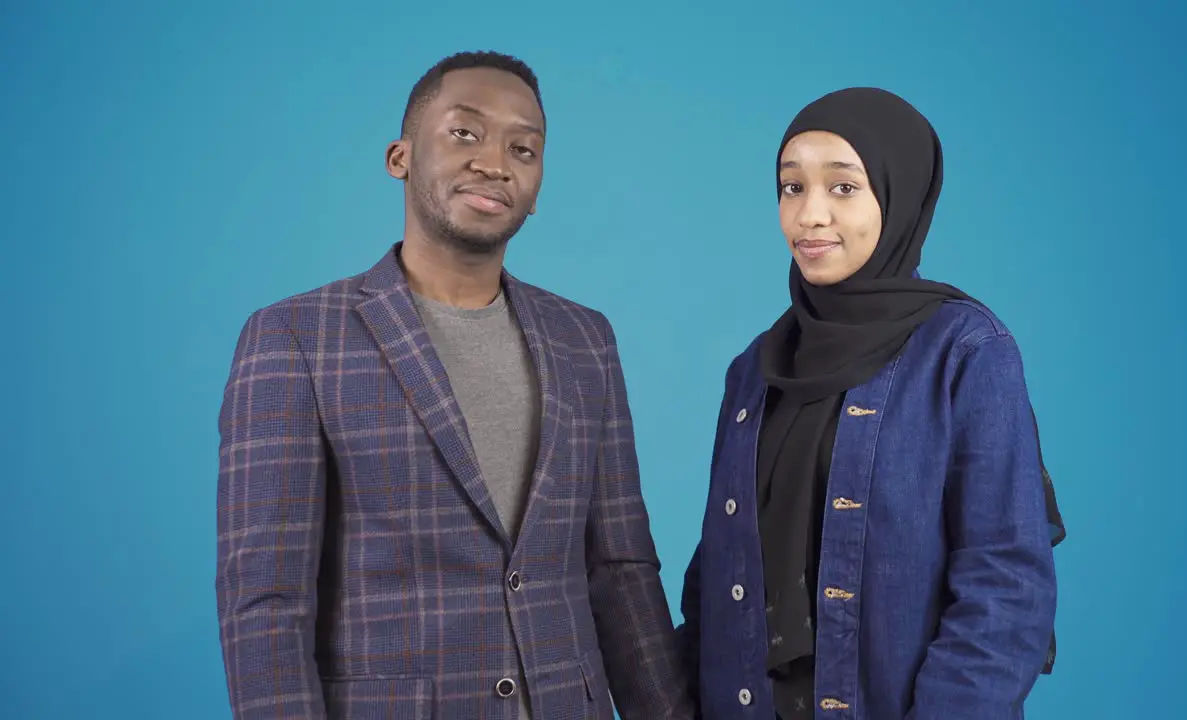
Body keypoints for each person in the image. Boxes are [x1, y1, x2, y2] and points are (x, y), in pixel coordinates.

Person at [215, 50, 694, 719]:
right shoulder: (295, 338)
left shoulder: (587, 340)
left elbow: (621, 572)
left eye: (523, 148)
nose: (495, 162)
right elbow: (265, 603)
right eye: (464, 133)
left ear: (538, 185)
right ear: (400, 156)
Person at [676, 87, 1066, 719]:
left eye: (843, 187)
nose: (809, 216)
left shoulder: (964, 351)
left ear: (899, 192)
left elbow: (1006, 585)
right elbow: (719, 571)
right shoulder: (755, 370)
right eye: (792, 187)